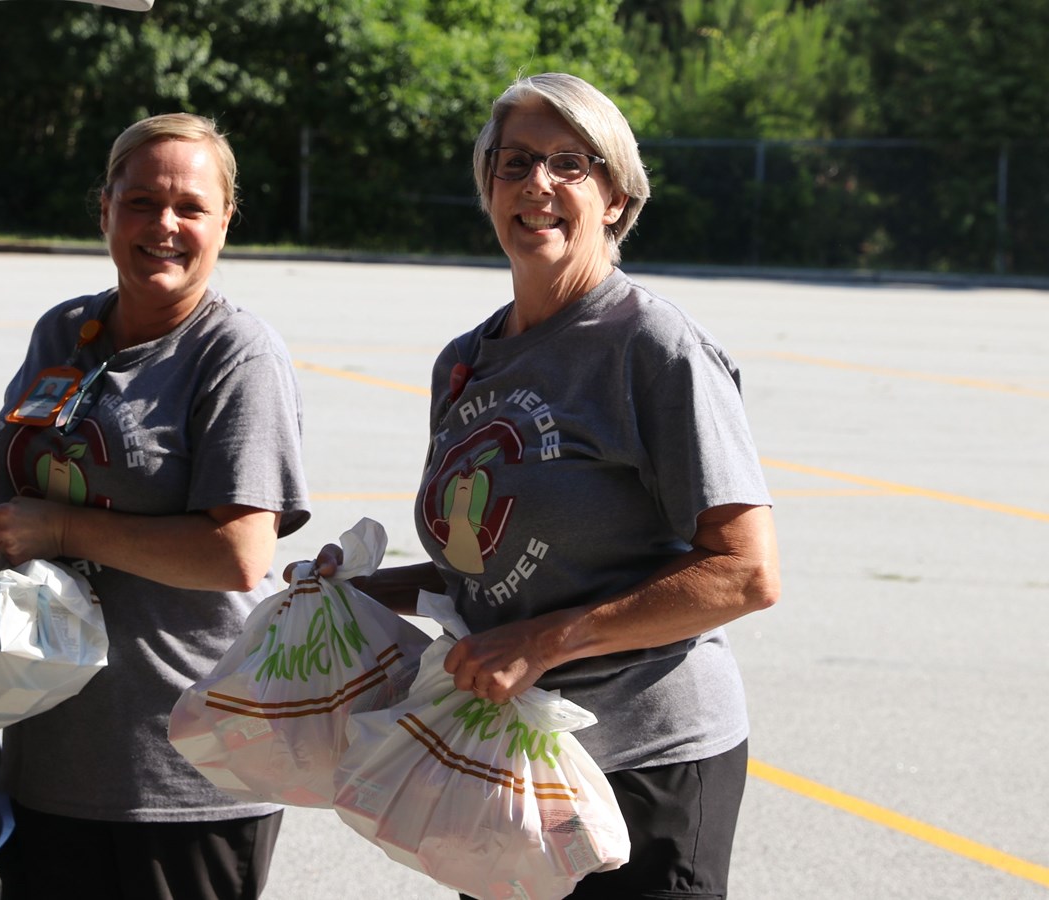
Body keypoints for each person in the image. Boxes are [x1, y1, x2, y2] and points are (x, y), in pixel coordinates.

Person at [302, 73, 780, 899]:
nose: (538, 186)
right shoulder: (464, 361)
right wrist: (369, 594)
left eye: (570, 163)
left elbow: (745, 572)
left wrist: (544, 642)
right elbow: (488, 569)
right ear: (488, 188)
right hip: (508, 760)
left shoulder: (652, 346)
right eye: (515, 162)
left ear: (618, 197)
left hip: (644, 764)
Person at [0, 113, 310, 900]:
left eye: (190, 207)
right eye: (140, 202)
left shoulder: (235, 353)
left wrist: (59, 530)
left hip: (181, 771)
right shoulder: (66, 331)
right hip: (50, 748)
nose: (164, 225)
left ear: (226, 220)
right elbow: (52, 485)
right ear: (105, 209)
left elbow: (238, 554)